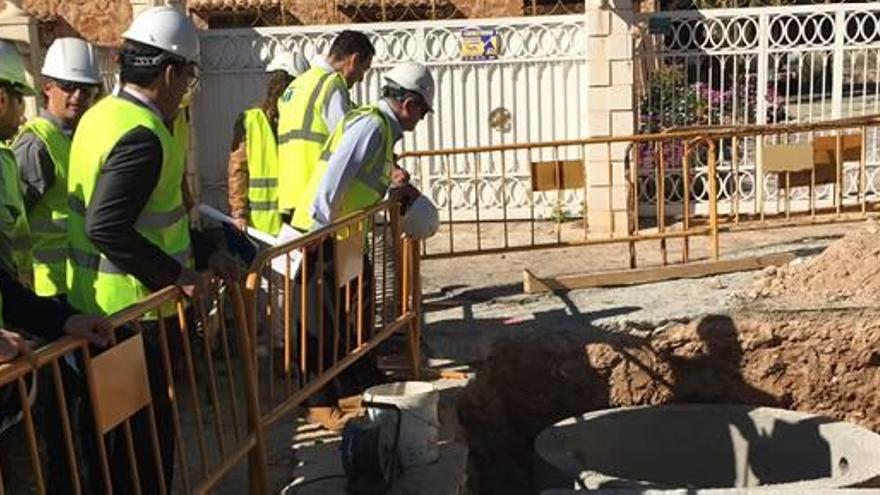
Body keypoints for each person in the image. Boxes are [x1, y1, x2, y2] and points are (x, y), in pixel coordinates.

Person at [65, 6, 237, 493]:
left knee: (117, 449)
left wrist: (201, 252)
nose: (187, 87)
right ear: (168, 71)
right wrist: (176, 277)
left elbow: (152, 222)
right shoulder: (143, 136)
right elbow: (108, 226)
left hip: (101, 311)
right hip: (131, 318)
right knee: (139, 454)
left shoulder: (102, 118)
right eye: (188, 75)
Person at [290, 62, 434, 430]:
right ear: (410, 103)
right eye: (422, 111)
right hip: (322, 235)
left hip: (344, 236)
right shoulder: (371, 125)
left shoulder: (382, 130)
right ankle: (318, 404)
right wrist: (315, 233)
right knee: (319, 324)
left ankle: (341, 389)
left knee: (339, 319)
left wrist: (394, 191)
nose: (421, 120)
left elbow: (360, 183)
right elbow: (333, 178)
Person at [13, 37, 102, 300]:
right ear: (47, 86)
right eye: (69, 86)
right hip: (50, 288)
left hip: (80, 282)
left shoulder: (77, 138)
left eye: (87, 89)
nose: (78, 96)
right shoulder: (37, 144)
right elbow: (12, 222)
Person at [277, 30, 374, 220]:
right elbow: (349, 142)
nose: (361, 78)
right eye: (364, 69)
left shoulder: (297, 85)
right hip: (316, 199)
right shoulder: (332, 85)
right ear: (354, 60)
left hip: (290, 197)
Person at [228, 50, 310, 236]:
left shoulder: (305, 121)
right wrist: (239, 212)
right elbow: (238, 169)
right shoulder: (251, 120)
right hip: (264, 224)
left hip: (297, 220)